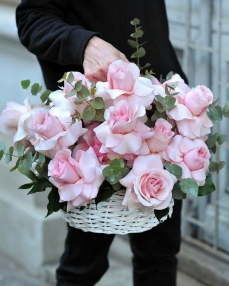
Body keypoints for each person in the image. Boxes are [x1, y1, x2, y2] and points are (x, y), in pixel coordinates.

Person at [16, 1, 187, 285]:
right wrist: (86, 45)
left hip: (164, 124)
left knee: (160, 257)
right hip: (96, 137)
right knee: (82, 266)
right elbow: (31, 17)